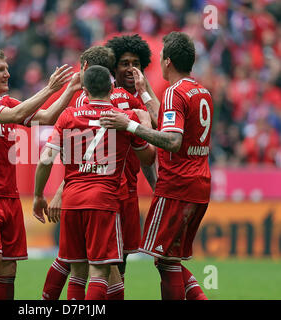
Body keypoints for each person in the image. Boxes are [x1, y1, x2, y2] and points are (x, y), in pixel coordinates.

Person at [41, 37, 156, 300]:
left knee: (81, 264)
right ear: (112, 69)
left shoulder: (82, 105)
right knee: (105, 266)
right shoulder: (130, 104)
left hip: (106, 192)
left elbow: (67, 154)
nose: (130, 69)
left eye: (136, 64)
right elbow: (149, 151)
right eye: (125, 64)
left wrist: (61, 190)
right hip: (112, 194)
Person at [100, 31, 212, 300]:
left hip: (177, 185)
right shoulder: (201, 91)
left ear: (167, 61)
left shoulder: (175, 92)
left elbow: (172, 140)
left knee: (165, 260)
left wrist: (131, 125)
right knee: (169, 259)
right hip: (200, 183)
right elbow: (171, 120)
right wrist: (146, 91)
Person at [0, 49, 75, 300]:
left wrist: (71, 88)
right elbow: (17, 115)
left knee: (9, 268)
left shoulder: (8, 102)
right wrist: (50, 87)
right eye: (1, 69)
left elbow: (47, 116)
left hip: (9, 197)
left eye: (7, 68)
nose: (7, 74)